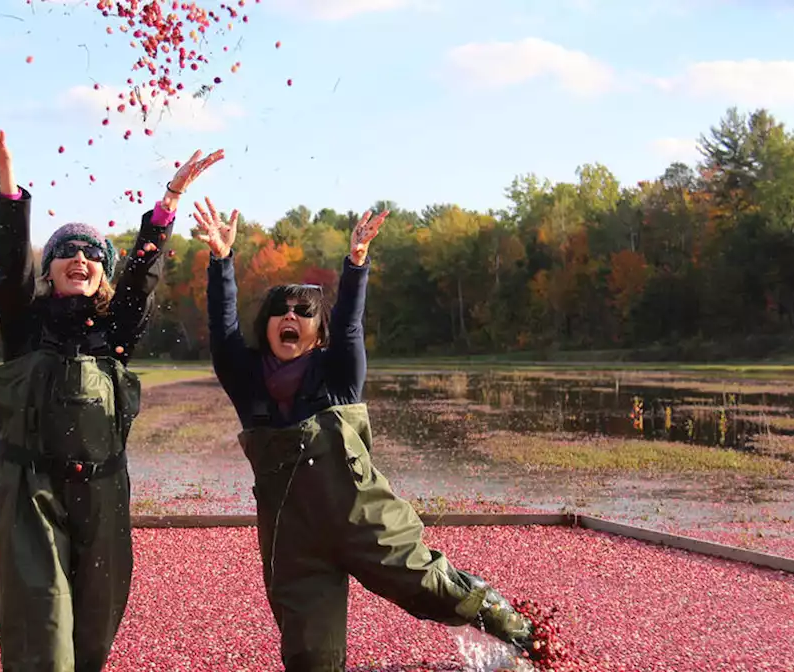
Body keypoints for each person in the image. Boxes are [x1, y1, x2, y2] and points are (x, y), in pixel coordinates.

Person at [192, 198, 538, 671]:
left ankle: (517, 632)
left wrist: (356, 264)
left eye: (303, 311)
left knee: (434, 589)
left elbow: (351, 321)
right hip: (293, 544)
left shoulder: (338, 375)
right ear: (266, 324)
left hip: (368, 521)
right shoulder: (246, 380)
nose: (290, 317)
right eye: (280, 310)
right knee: (310, 656)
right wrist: (221, 261)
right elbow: (221, 327)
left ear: (318, 331)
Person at [0, 110, 223, 672]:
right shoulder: (25, 324)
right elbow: (10, 265)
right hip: (31, 490)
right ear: (50, 269)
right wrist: (7, 174)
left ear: (102, 271)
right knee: (44, 629)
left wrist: (171, 197)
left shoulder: (115, 332)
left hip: (104, 490)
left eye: (90, 253)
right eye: (66, 252)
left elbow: (143, 273)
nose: (79, 258)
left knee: (95, 628)